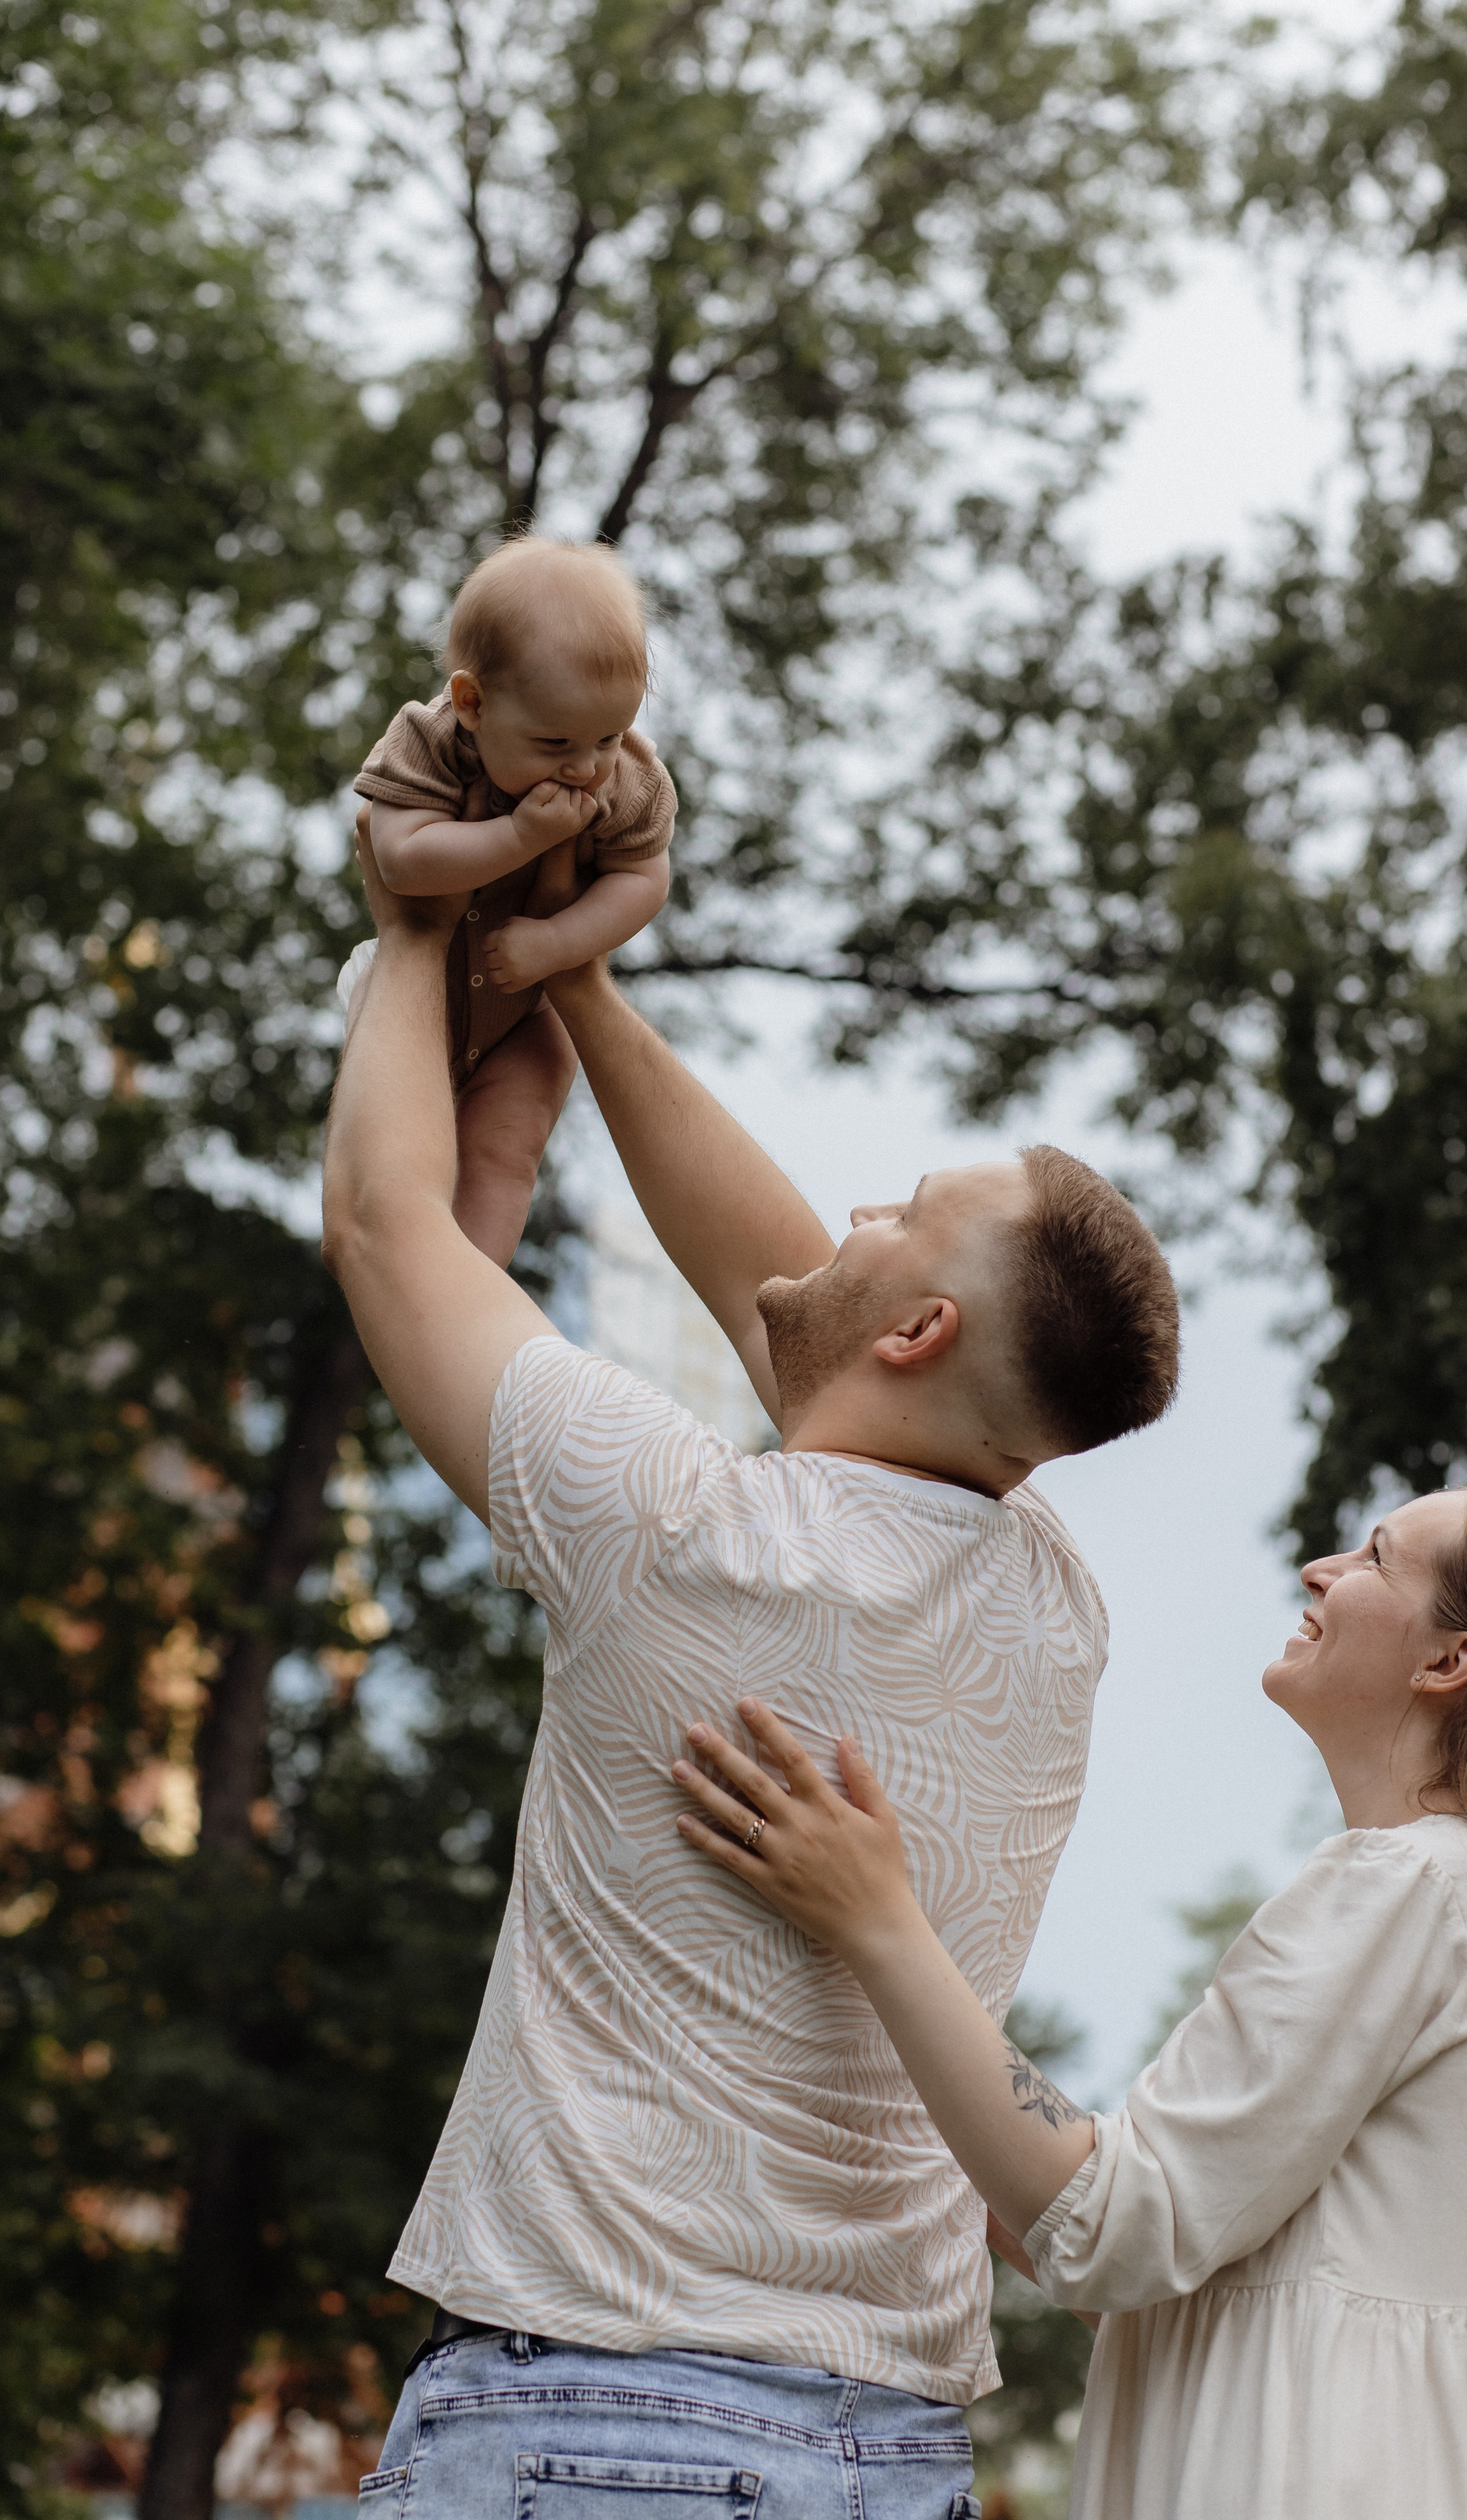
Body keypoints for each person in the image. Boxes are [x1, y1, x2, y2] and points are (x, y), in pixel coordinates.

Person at [320, 825, 1180, 2520]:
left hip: (593, 2421)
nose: (845, 1212)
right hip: (892, 2451)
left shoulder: (672, 1527)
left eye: (901, 1210)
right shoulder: (1053, 1613)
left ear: (922, 1333)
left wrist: (424, 906)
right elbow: (800, 1305)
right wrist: (581, 981)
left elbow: (380, 1220)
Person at [672, 1483, 1467, 2519]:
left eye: (1374, 1556)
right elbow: (1167, 2280)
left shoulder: (1408, 1886)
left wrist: (879, 1919)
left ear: (1451, 1661)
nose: (1321, 1572)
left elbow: (1113, 2228)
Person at [349, 536, 675, 1263]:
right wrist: (521, 836)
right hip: (415, 1002)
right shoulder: (427, 743)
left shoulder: (626, 778)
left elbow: (645, 880)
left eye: (609, 735)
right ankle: (401, 1264)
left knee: (508, 1149)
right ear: (471, 702)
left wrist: (558, 945)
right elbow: (401, 859)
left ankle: (474, 1282)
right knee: (398, 1160)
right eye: (555, 741)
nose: (587, 767)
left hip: (528, 1014)